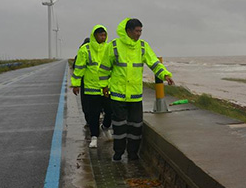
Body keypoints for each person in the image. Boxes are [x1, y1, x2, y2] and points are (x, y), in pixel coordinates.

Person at [99, 18, 174, 161]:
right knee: (119, 127)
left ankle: (133, 153)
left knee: (136, 126)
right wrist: (104, 86)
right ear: (128, 31)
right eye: (137, 31)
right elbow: (104, 68)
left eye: (141, 31)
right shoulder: (114, 46)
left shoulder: (143, 46)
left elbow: (154, 63)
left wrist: (165, 75)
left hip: (135, 95)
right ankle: (118, 153)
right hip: (118, 95)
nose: (139, 34)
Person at [70, 26, 112, 148]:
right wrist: (76, 84)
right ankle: (94, 137)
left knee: (110, 111)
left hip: (106, 88)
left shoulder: (109, 48)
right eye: (100, 35)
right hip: (91, 88)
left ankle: (105, 126)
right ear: (95, 36)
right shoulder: (85, 49)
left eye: (104, 35)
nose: (103, 37)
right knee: (93, 114)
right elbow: (79, 68)